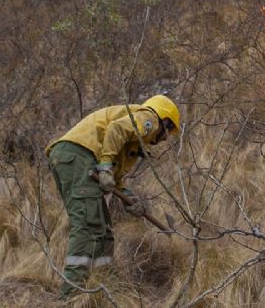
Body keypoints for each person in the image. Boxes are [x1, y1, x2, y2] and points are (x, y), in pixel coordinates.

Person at [45, 95, 180, 298]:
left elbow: (115, 181)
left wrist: (130, 199)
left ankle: (102, 286)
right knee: (87, 226)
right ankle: (70, 294)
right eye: (167, 132)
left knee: (103, 231)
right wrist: (105, 166)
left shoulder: (133, 144)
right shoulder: (148, 120)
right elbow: (116, 129)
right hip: (78, 156)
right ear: (165, 120)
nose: (164, 139)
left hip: (77, 159)